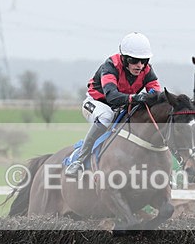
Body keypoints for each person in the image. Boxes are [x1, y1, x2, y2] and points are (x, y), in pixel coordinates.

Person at [64, 32, 162, 176]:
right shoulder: (110, 66)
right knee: (106, 116)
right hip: (96, 103)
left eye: (144, 61)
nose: (140, 66)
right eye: (134, 60)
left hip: (121, 106)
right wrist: (137, 98)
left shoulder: (147, 70)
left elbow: (155, 93)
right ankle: (79, 160)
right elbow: (112, 96)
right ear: (124, 59)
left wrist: (150, 97)